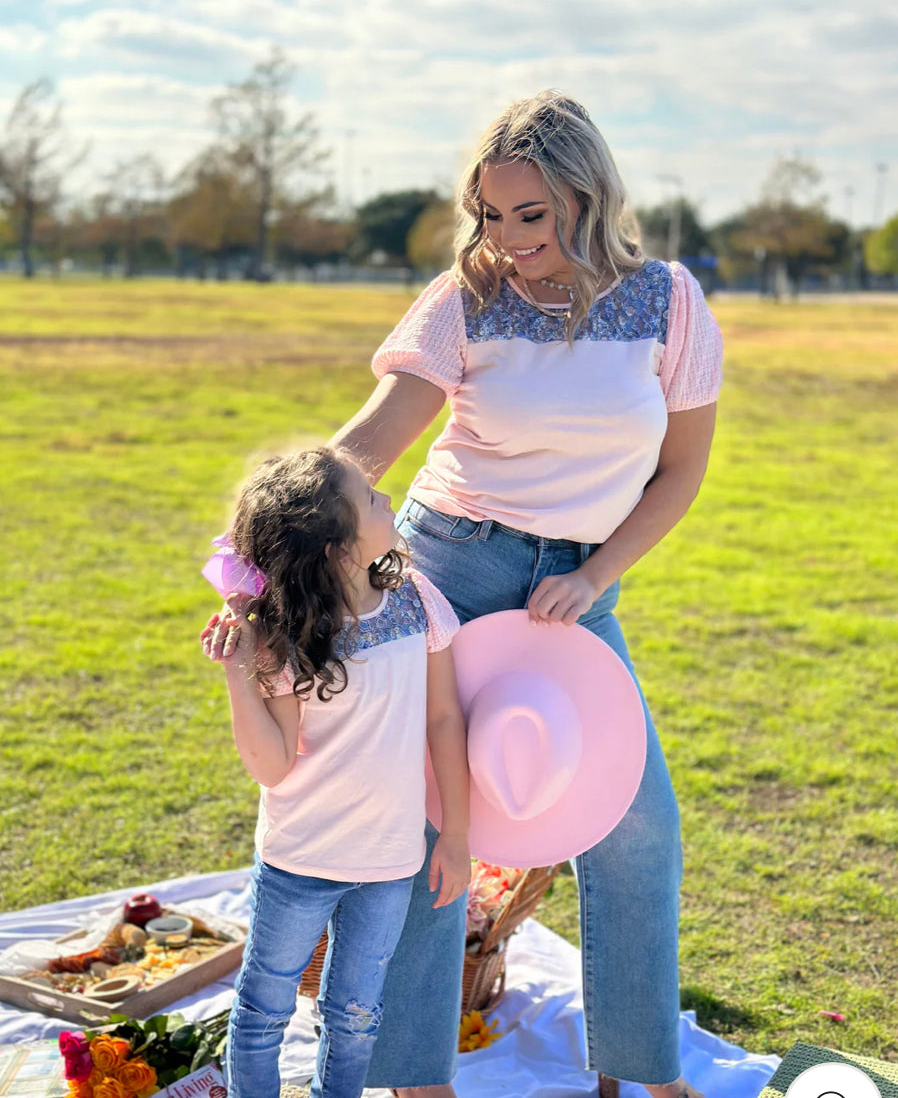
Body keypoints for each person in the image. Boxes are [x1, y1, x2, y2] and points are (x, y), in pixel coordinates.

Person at [330, 90, 723, 1098]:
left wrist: (595, 575)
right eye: (491, 215)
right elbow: (373, 439)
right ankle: (415, 1079)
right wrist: (280, 523)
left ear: (585, 198)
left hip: (576, 586)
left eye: (530, 215)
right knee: (422, 819)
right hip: (447, 566)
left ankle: (638, 1073)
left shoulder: (670, 303)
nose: (506, 239)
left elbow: (679, 470)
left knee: (638, 826)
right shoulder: (464, 296)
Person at [200, 447, 470, 1098]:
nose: (388, 500)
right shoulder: (285, 637)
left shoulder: (415, 599)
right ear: (336, 547)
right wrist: (240, 673)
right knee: (264, 1012)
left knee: (354, 1016)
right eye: (372, 499)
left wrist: (457, 836)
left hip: (387, 864)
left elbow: (443, 721)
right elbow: (273, 763)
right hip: (298, 863)